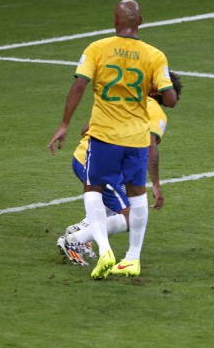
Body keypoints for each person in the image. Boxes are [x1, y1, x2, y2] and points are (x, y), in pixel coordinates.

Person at [48, 0, 178, 279]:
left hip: (103, 138)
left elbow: (80, 86)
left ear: (115, 21)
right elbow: (170, 101)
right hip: (132, 141)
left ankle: (99, 245)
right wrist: (156, 184)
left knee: (94, 191)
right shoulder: (154, 57)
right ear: (141, 21)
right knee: (135, 200)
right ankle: (113, 251)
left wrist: (65, 124)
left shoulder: (97, 48)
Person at [57, 72, 183, 268]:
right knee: (133, 217)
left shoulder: (124, 98)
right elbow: (150, 145)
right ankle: (74, 240)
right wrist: (156, 184)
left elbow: (85, 129)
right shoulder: (154, 111)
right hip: (100, 165)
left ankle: (81, 230)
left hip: (84, 157)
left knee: (119, 197)